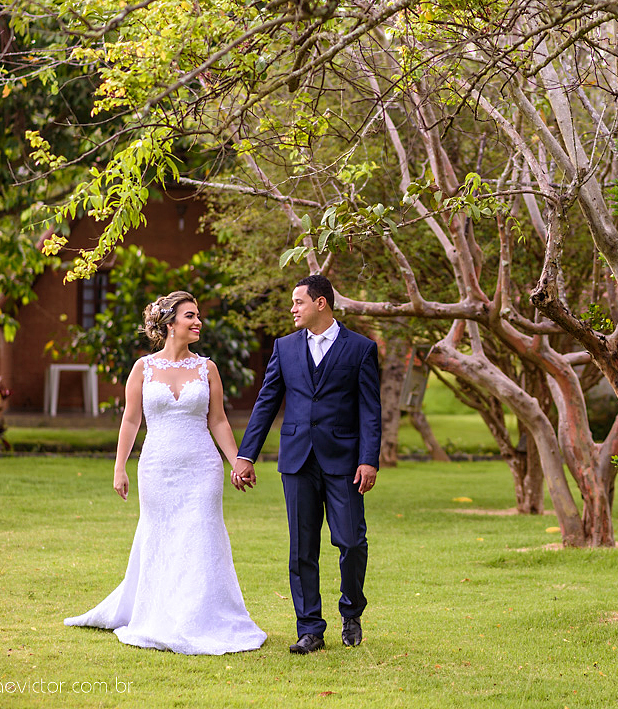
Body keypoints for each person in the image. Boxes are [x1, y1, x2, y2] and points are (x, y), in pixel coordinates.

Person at [65, 291, 266, 655]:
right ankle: (160, 612)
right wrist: (119, 467)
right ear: (170, 322)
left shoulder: (208, 369)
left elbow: (218, 419)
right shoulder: (144, 368)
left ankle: (200, 616)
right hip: (157, 466)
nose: (197, 322)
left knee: (201, 534)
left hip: (202, 467)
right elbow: (130, 419)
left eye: (198, 315)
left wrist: (237, 459)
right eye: (190, 316)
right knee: (161, 537)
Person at [232, 274, 381, 653]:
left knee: (351, 540)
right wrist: (246, 454)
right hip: (296, 459)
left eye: (298, 302)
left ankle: (351, 611)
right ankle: (310, 629)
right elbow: (267, 401)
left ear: (321, 304)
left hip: (345, 462)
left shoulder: (361, 348)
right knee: (301, 548)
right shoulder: (284, 347)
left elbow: (370, 410)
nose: (292, 309)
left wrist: (368, 460)